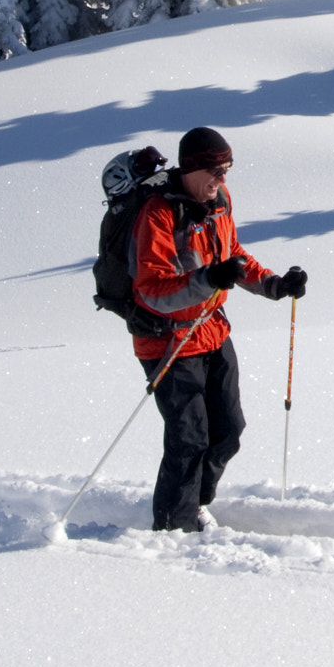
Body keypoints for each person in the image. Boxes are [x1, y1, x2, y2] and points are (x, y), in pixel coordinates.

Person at [130, 126, 306, 533]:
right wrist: (211, 278)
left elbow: (233, 257)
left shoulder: (220, 202)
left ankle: (193, 505)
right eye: (216, 171)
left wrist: (274, 285)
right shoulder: (157, 213)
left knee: (228, 430)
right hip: (167, 340)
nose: (222, 180)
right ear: (191, 168)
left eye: (226, 170)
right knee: (188, 439)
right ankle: (174, 528)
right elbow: (151, 290)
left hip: (212, 333)